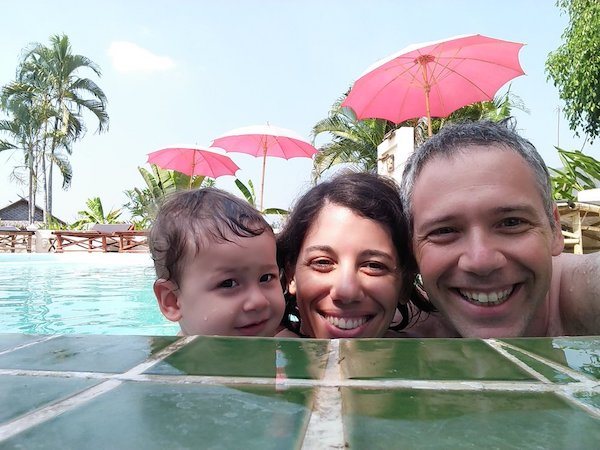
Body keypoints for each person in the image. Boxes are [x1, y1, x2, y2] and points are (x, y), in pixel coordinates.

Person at [400, 119, 600, 338]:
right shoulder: (400, 326)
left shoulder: (584, 291)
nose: (481, 262)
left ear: (555, 229)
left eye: (511, 223)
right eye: (444, 231)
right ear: (412, 249)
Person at [277, 171, 429, 339]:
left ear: (405, 284)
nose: (346, 291)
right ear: (292, 276)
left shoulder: (433, 358)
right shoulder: (260, 359)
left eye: (373, 266)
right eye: (322, 262)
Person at [149, 187, 285, 336]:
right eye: (228, 283)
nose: (259, 301)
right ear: (173, 301)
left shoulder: (289, 344)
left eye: (266, 278)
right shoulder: (169, 358)